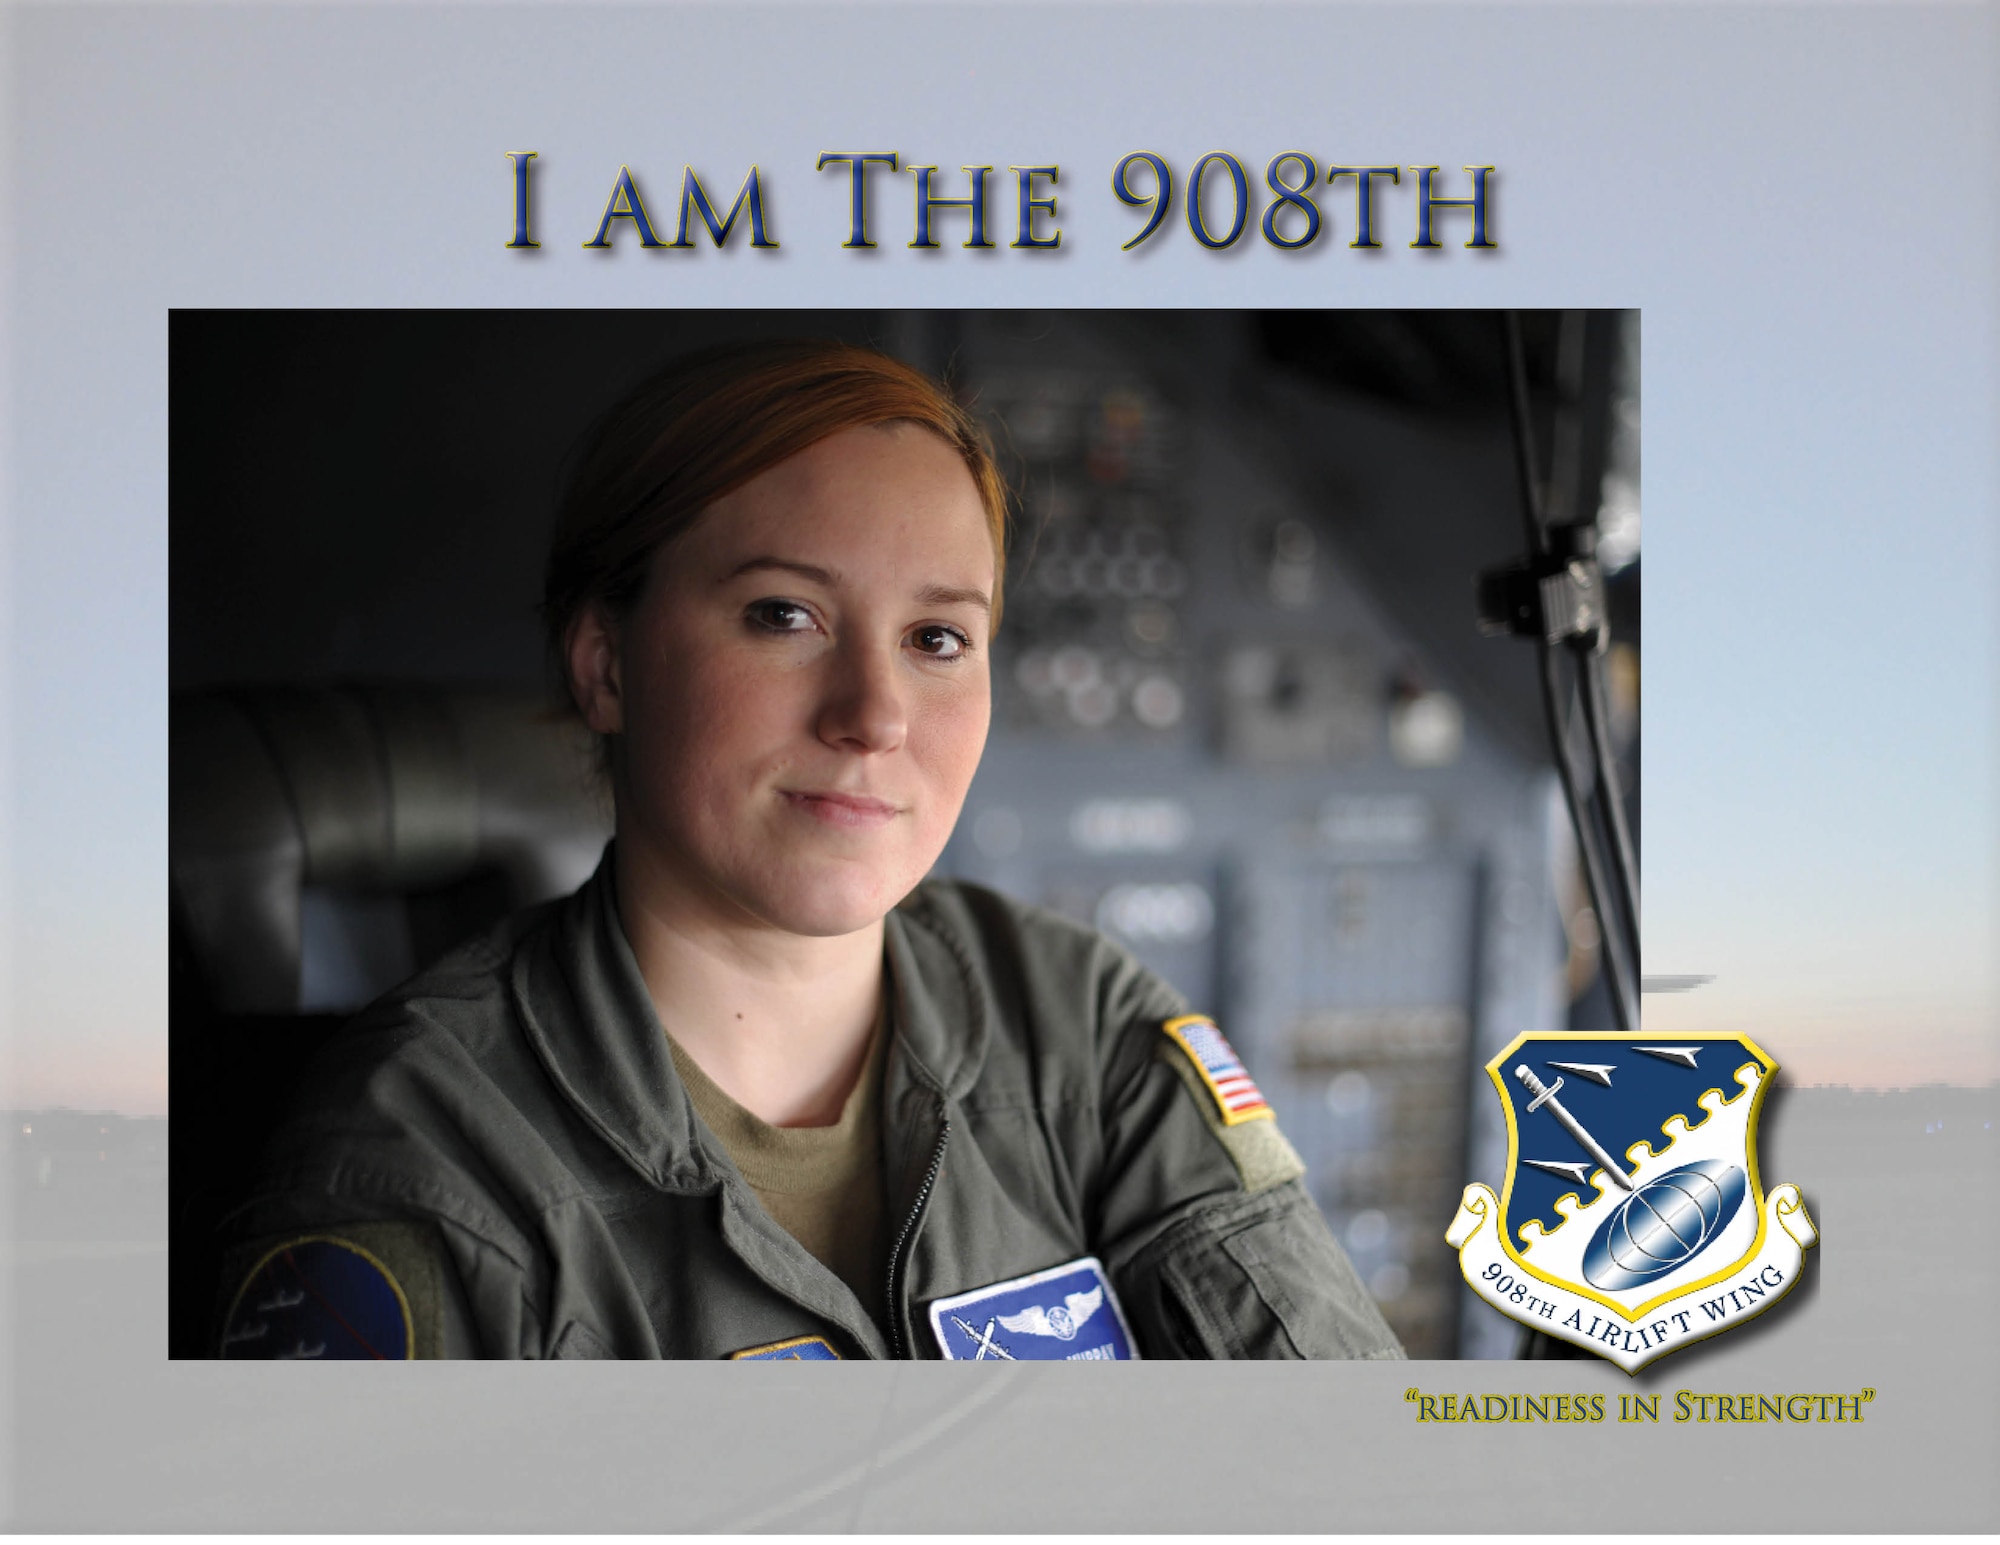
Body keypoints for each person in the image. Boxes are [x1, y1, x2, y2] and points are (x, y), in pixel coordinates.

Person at [212, 339, 1405, 1361]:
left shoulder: (1073, 1021)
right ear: (606, 665)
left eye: (937, 638)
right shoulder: (416, 1164)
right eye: (785, 615)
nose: (875, 715)